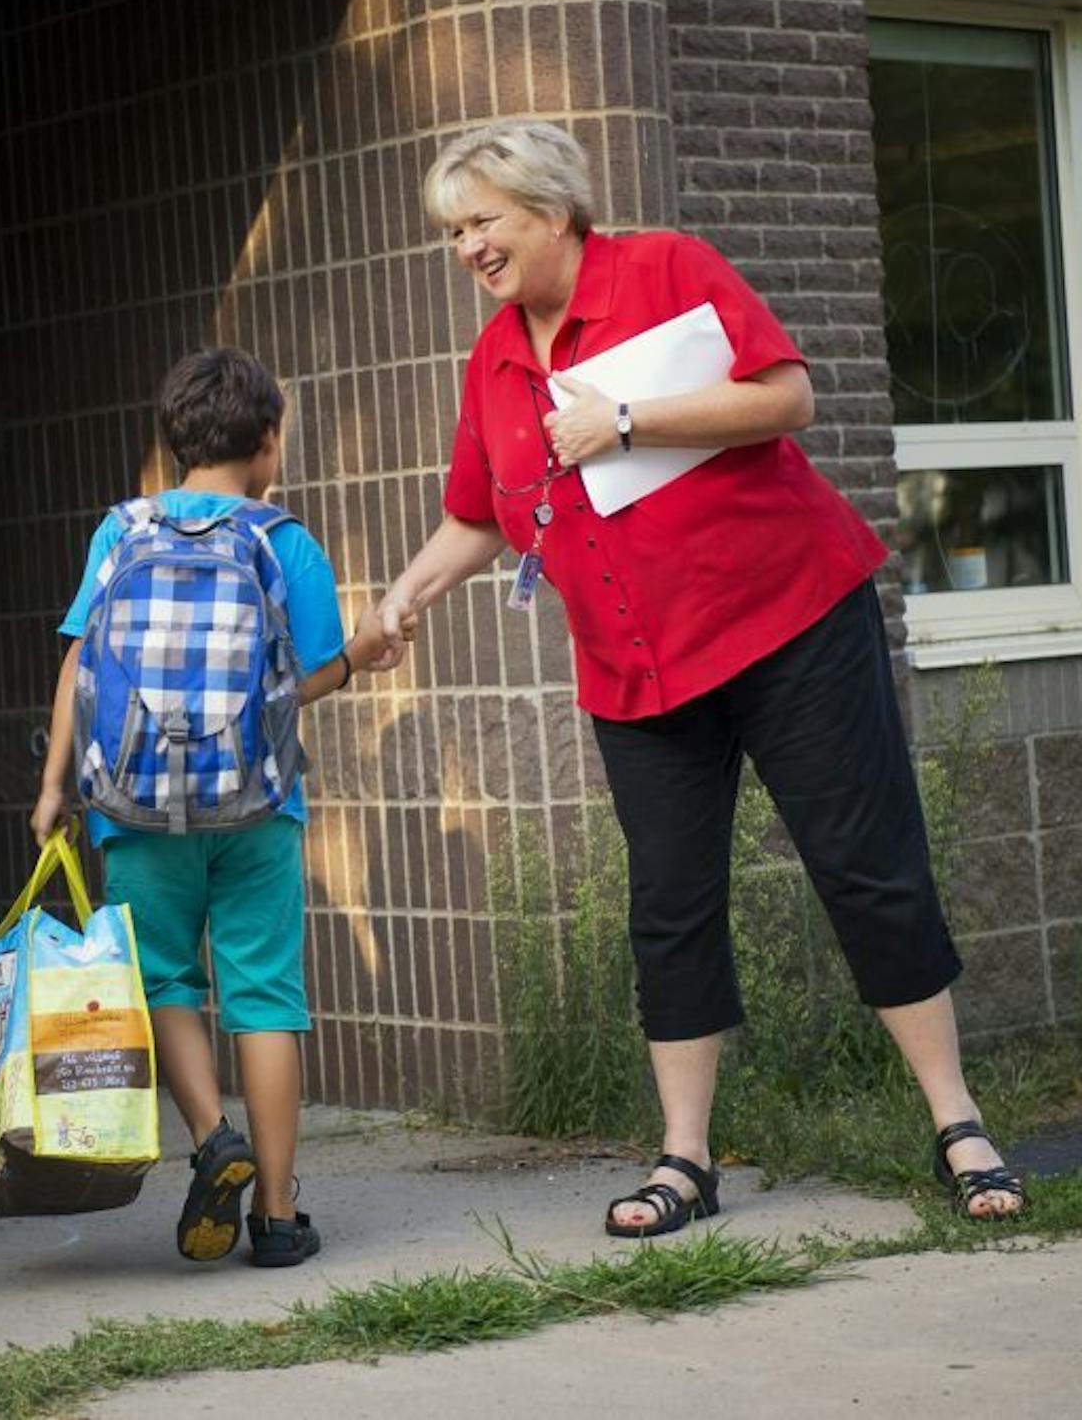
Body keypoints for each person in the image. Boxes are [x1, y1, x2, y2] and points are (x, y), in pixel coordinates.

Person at [358, 119, 1028, 1235]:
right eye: (454, 230)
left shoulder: (666, 267)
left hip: (789, 626)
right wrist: (405, 595)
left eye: (484, 221)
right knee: (669, 907)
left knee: (865, 867)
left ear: (553, 209)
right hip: (638, 669)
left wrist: (623, 419)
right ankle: (684, 1160)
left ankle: (958, 1121)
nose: (468, 246)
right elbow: (481, 512)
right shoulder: (494, 360)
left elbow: (785, 397)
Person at [30, 347, 384, 1268]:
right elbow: (298, 681)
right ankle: (276, 1216)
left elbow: (79, 663)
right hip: (256, 806)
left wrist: (52, 786)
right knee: (264, 996)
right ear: (266, 442)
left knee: (164, 983)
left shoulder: (119, 533)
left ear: (174, 441)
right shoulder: (284, 540)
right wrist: (361, 657)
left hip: (135, 808)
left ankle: (210, 1133)